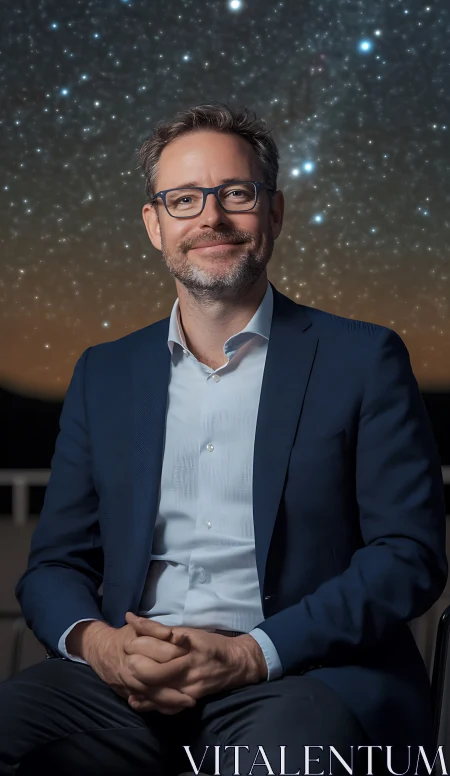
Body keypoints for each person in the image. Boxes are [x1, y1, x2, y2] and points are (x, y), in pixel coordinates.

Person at [0, 101, 447, 776]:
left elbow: (407, 555)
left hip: (301, 673)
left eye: (235, 193)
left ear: (274, 213)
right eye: (183, 199)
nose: (210, 218)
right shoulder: (104, 373)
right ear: (154, 225)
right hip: (128, 683)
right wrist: (99, 646)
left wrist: (248, 653)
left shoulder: (364, 359)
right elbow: (56, 565)